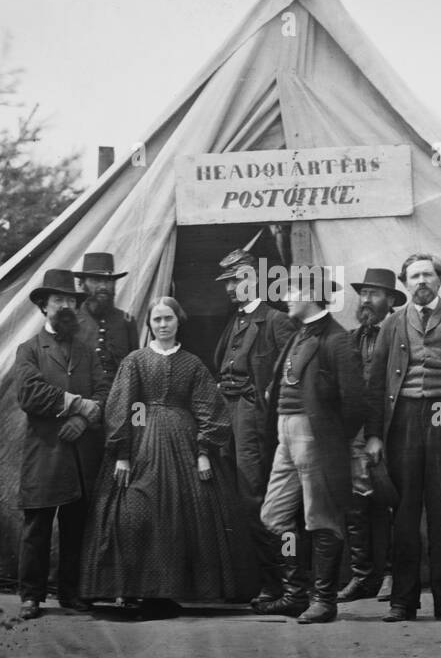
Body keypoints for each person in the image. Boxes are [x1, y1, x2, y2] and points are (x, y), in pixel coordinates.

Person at [79, 297, 259, 612]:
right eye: (157, 320)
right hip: (140, 441)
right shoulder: (135, 360)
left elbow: (210, 409)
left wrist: (203, 451)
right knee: (133, 512)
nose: (163, 325)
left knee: (188, 513)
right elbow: (122, 407)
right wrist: (122, 453)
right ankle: (133, 588)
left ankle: (169, 591)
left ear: (179, 321)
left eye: (168, 319)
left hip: (183, 443)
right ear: (149, 323)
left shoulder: (192, 363)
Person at [364, 253, 441, 623]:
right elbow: (374, 384)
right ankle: (403, 601)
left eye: (428, 275)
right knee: (403, 515)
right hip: (402, 420)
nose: (421, 281)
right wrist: (373, 435)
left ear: (440, 280)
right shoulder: (392, 324)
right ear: (404, 283)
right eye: (414, 276)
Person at [259, 269, 366, 623]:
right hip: (285, 434)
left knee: (320, 518)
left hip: (315, 436)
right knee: (274, 516)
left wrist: (330, 439)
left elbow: (353, 402)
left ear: (311, 295)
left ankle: (323, 600)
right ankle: (296, 593)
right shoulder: (299, 334)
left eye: (292, 289)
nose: (287, 295)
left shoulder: (337, 340)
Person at [14, 269, 110, 620]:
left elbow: (104, 392)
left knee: (76, 527)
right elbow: (29, 393)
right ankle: (31, 596)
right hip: (45, 453)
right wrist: (75, 403)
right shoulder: (29, 350)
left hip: (81, 454)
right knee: (37, 527)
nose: (66, 306)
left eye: (71, 300)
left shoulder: (87, 351)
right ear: (43, 306)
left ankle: (71, 592)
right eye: (58, 300)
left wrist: (84, 418)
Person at [211, 247, 295, 610]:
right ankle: (249, 581)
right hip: (226, 416)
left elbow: (288, 379)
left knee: (255, 498)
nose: (231, 288)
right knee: (231, 499)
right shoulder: (234, 322)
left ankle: (277, 585)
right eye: (227, 282)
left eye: (238, 280)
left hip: (254, 421)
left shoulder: (276, 320)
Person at [339, 267, 405, 602]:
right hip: (358, 432)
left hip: (396, 428)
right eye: (363, 293)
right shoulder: (351, 338)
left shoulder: (400, 334)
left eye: (374, 293)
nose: (366, 300)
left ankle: (396, 574)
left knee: (396, 500)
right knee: (357, 503)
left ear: (390, 301)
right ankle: (363, 576)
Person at [74, 251, 139, 384]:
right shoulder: (70, 323)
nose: (103, 287)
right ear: (81, 284)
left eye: (108, 281)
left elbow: (135, 369)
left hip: (119, 398)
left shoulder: (126, 321)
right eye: (96, 280)